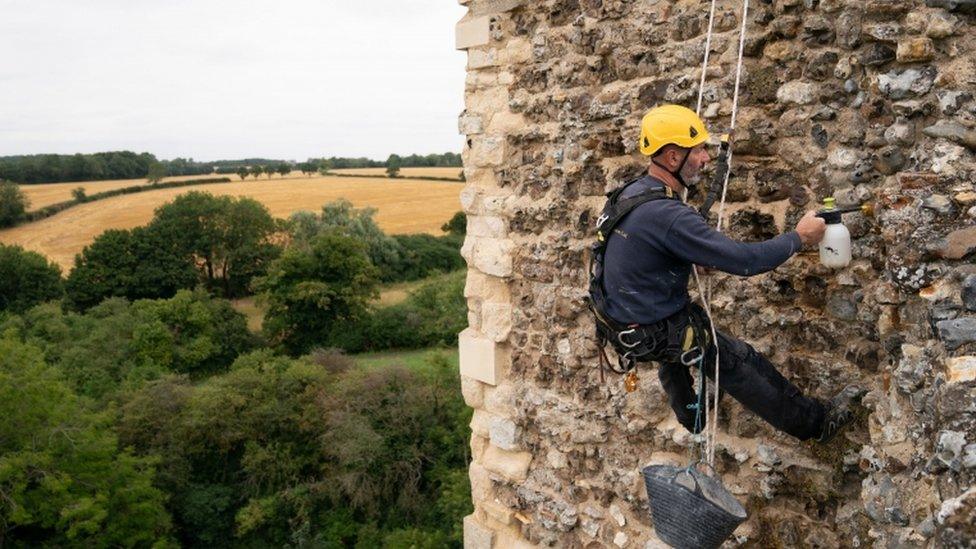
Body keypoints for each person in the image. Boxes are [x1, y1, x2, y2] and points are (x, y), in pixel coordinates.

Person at [597, 104, 863, 443]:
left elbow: (638, 251)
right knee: (735, 360)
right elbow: (745, 261)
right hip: (652, 328)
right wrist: (799, 237)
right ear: (673, 157)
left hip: (622, 323)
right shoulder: (668, 214)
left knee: (680, 333)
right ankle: (816, 425)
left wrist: (684, 256)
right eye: (699, 150)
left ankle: (690, 415)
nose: (707, 158)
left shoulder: (632, 193)